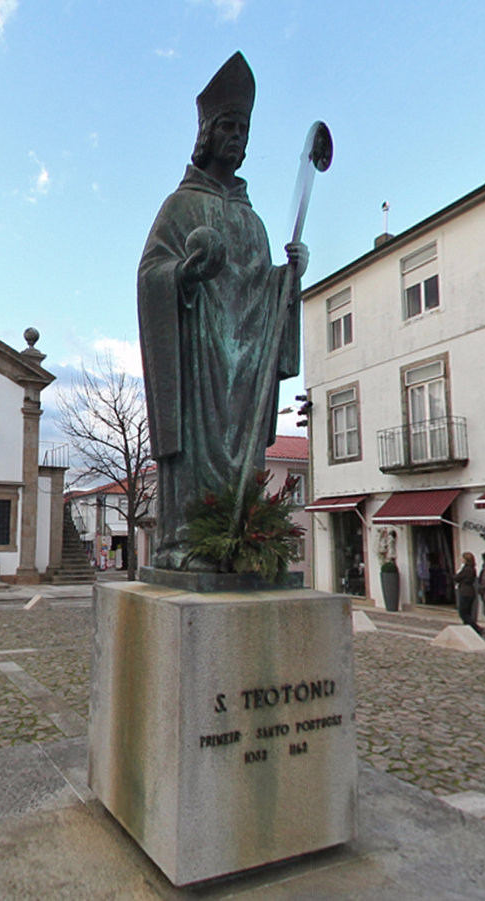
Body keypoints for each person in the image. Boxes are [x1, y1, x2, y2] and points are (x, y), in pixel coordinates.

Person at [138, 52, 308, 571]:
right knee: (197, 455)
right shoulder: (180, 206)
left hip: (245, 371)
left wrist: (288, 278)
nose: (237, 137)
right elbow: (150, 276)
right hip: (197, 368)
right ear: (207, 133)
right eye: (228, 127)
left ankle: (243, 540)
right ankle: (186, 542)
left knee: (243, 457)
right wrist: (184, 274)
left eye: (244, 129)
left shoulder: (252, 221)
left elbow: (262, 291)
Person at [453, 552, 482, 634]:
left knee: (463, 612)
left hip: (465, 591)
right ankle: (469, 628)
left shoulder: (467, 569)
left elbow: (457, 577)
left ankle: (476, 627)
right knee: (467, 612)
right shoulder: (472, 568)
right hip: (470, 591)